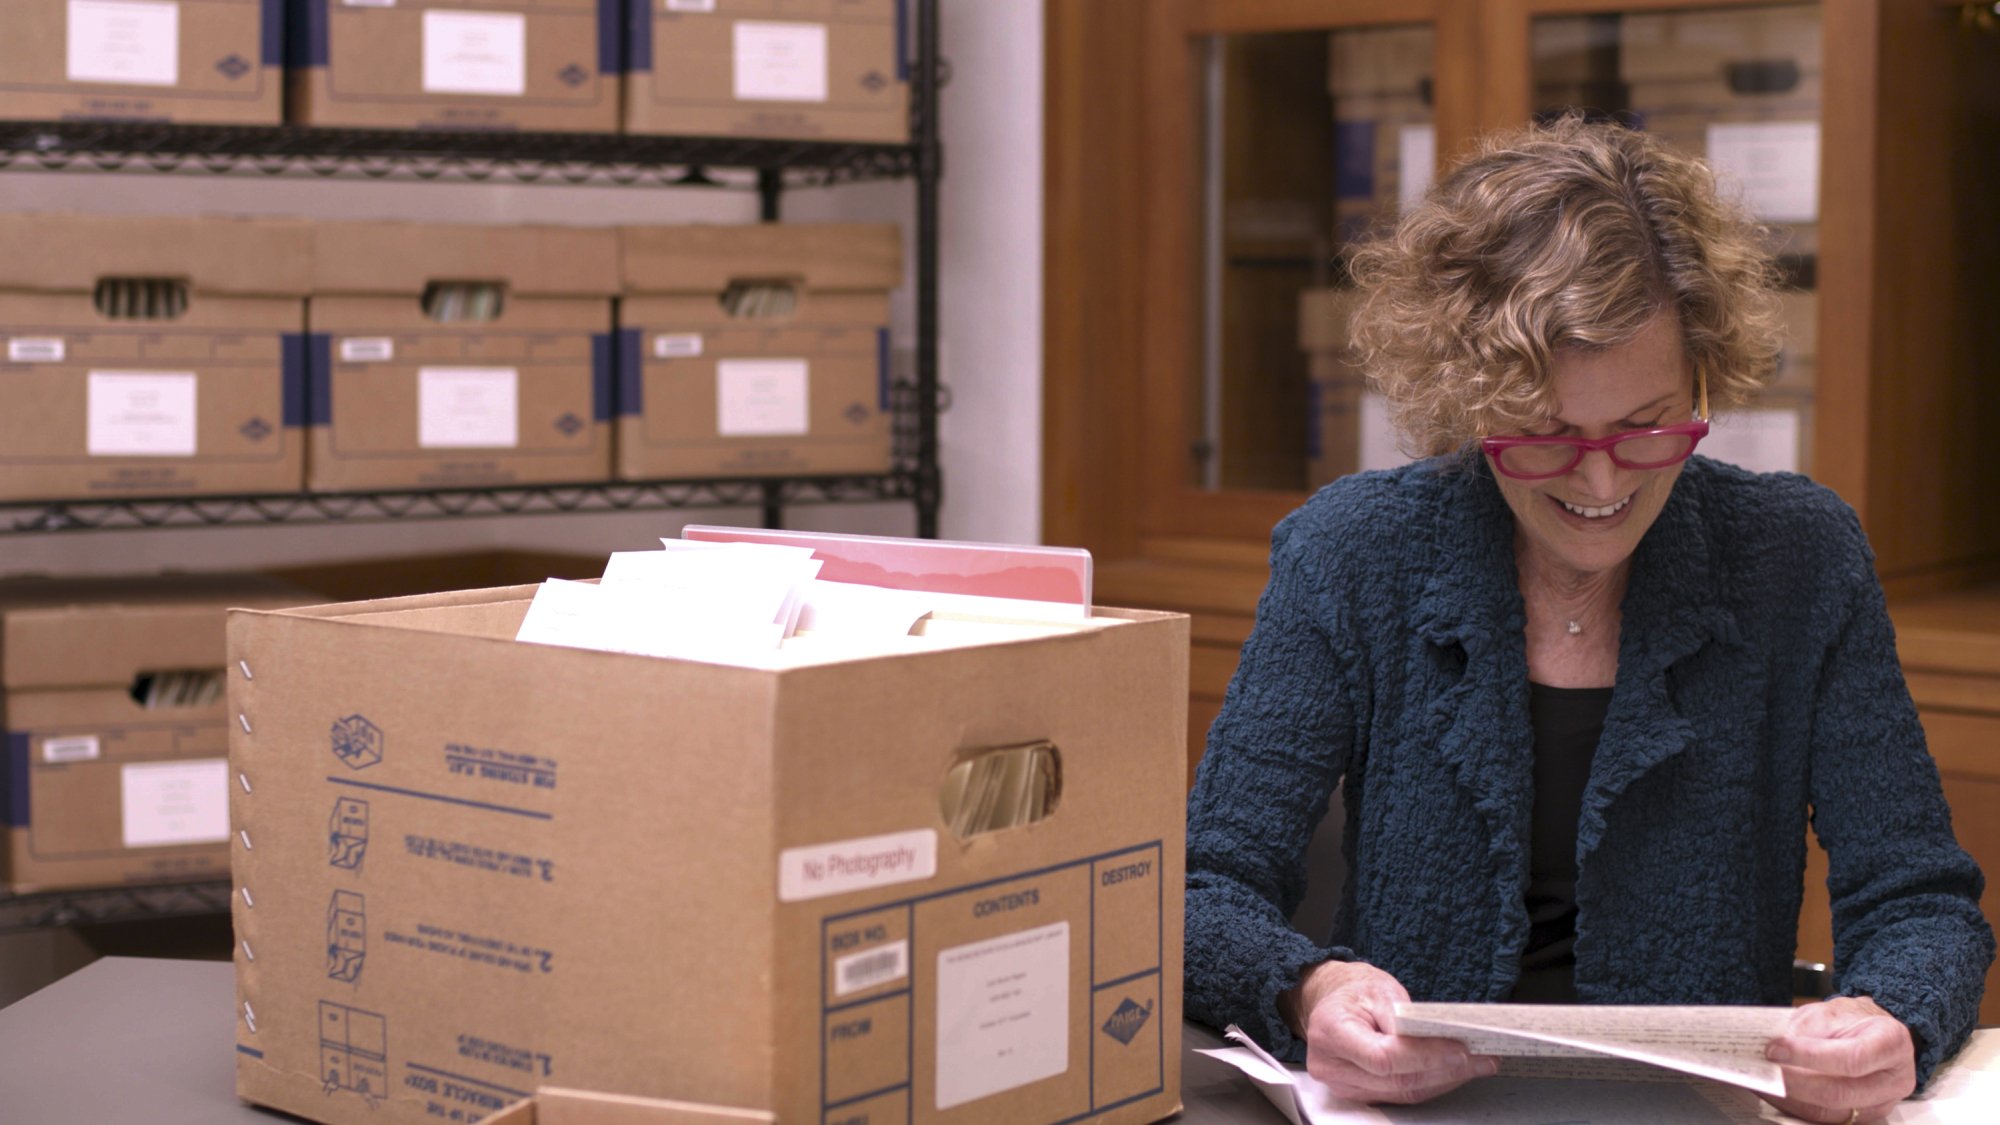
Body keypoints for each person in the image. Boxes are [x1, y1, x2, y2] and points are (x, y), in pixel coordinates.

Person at [1183, 116, 1993, 1125]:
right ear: (1474, 398)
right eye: (1547, 436)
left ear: (1704, 377)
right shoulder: (1351, 553)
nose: (1603, 480)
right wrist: (1307, 993)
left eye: (1646, 426)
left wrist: (1892, 1020)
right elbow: (1198, 893)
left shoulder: (1796, 558)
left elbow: (1918, 904)